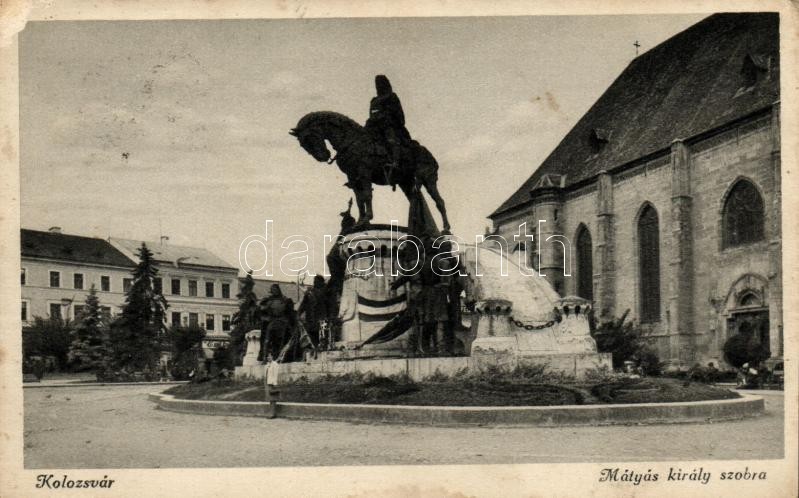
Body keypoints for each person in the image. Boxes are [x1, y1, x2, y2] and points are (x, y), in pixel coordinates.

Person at [365, 75, 412, 187]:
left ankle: (395, 163)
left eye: (381, 83)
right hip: (374, 127)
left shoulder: (392, 97)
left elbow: (400, 116)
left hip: (389, 126)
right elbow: (371, 115)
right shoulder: (374, 100)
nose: (378, 86)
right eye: (377, 83)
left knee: (391, 139)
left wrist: (387, 118)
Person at [259, 284, 296, 362]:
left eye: (275, 289)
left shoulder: (285, 300)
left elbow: (290, 312)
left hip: (283, 321)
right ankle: (264, 357)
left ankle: (282, 357)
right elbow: (261, 310)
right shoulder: (269, 301)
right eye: (273, 289)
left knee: (283, 340)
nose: (274, 291)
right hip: (273, 321)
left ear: (278, 290)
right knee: (267, 339)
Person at [298, 276, 330, 350]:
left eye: (317, 281)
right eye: (314, 281)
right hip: (311, 318)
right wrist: (299, 313)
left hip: (322, 317)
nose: (315, 282)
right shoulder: (310, 292)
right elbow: (303, 304)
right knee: (312, 335)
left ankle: (322, 348)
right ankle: (315, 349)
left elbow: (328, 304)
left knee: (323, 335)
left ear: (321, 282)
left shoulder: (325, 292)